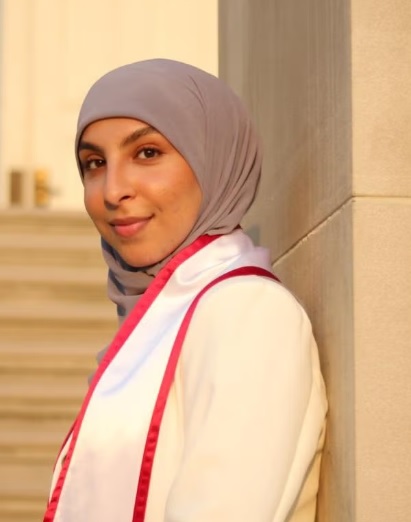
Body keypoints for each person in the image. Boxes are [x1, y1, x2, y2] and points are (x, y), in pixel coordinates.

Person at [43, 59, 327, 522]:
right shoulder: (159, 323)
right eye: (95, 163)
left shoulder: (247, 313)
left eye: (147, 153)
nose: (113, 191)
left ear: (214, 160)